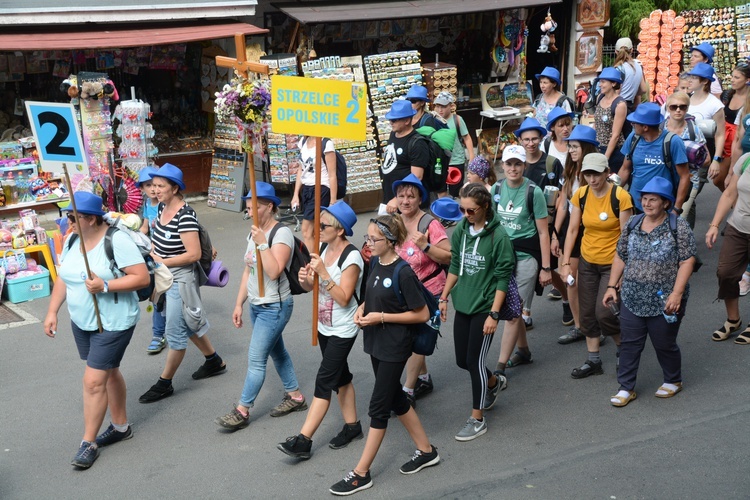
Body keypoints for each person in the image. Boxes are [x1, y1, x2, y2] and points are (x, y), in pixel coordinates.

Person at [329, 215, 439, 496]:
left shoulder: (403, 272)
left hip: (394, 346)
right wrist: (362, 308)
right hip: (376, 341)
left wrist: (380, 317)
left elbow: (422, 313)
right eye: (367, 237)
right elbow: (371, 294)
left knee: (379, 408)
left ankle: (361, 473)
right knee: (395, 397)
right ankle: (426, 451)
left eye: (373, 239)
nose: (368, 244)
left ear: (390, 241)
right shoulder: (376, 262)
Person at [44, 191, 150, 469]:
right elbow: (64, 278)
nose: (66, 223)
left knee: (93, 381)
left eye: (72, 217)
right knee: (109, 370)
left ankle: (87, 443)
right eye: (66, 217)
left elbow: (141, 277)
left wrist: (105, 285)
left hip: (113, 321)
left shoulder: (117, 240)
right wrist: (52, 311)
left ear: (91, 219)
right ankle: (121, 426)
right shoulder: (71, 240)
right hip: (83, 319)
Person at [215, 182, 307, 430]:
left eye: (254, 204)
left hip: (275, 307)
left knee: (256, 359)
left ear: (270, 206)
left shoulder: (281, 234)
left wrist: (263, 243)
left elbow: (275, 271)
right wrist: (238, 304)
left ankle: (242, 410)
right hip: (257, 305)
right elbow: (248, 270)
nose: (249, 209)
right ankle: (295, 396)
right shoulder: (254, 232)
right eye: (247, 205)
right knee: (278, 352)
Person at [277, 202, 363, 459]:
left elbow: (345, 297)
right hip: (324, 326)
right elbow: (311, 288)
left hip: (343, 329)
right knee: (341, 378)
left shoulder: (352, 257)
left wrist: (323, 273)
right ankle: (353, 426)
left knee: (324, 381)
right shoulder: (324, 249)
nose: (318, 229)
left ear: (339, 230)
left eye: (323, 225)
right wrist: (306, 279)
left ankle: (303, 440)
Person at [604, 177, 697, 407]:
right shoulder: (634, 223)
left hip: (665, 299)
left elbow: (687, 260)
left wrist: (677, 293)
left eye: (652, 199)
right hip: (632, 296)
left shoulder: (678, 226)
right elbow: (620, 255)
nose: (646, 203)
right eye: (644, 198)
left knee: (664, 342)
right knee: (629, 344)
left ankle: (673, 380)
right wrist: (611, 286)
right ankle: (626, 387)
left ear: (665, 203)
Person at [138, 164, 226, 403]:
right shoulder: (160, 209)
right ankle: (214, 360)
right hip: (165, 277)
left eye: (160, 186)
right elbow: (156, 240)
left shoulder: (185, 216)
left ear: (175, 188)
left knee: (174, 332)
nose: (155, 190)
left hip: (181, 280)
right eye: (153, 185)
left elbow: (194, 254)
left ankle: (164, 383)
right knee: (187, 321)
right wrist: (153, 258)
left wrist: (163, 260)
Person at [439, 183, 515, 441]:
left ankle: (477, 419)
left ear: (484, 208)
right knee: (462, 360)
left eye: (470, 210)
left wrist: (494, 315)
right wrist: (444, 296)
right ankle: (494, 382)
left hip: (485, 307)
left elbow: (503, 278)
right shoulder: (461, 228)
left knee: (475, 362)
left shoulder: (499, 237)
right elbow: (455, 265)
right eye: (462, 209)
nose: (465, 215)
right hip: (464, 303)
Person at [561, 153, 634, 378]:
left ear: (606, 173)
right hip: (587, 261)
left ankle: (624, 351)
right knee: (586, 314)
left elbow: (626, 236)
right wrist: (565, 262)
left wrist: (622, 272)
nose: (592, 179)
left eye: (596, 174)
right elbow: (573, 229)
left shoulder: (620, 197)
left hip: (612, 264)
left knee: (605, 313)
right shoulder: (580, 195)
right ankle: (594, 360)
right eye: (588, 174)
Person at [491, 145, 552, 374]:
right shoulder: (496, 188)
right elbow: (491, 225)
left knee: (513, 311)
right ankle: (523, 351)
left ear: (525, 166)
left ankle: (499, 369)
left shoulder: (533, 192)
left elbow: (543, 232)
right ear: (503, 165)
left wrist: (546, 268)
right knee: (513, 306)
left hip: (527, 256)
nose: (513, 168)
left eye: (518, 164)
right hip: (502, 257)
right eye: (509, 164)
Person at [391, 174, 451, 407]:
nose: (405, 201)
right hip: (404, 291)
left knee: (415, 339)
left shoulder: (429, 224)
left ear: (419, 199)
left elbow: (448, 255)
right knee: (412, 337)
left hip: (430, 290)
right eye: (401, 196)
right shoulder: (394, 221)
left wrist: (425, 246)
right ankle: (423, 378)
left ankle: (408, 389)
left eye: (411, 196)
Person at [554, 125, 599, 344]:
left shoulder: (598, 172)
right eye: (570, 146)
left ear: (587, 148)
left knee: (589, 282)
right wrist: (555, 233)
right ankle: (579, 326)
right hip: (571, 229)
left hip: (592, 229)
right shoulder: (570, 171)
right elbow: (563, 203)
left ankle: (594, 326)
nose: (571, 150)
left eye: (575, 146)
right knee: (570, 279)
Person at [706, 152, 750, 345]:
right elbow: (730, 193)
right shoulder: (746, 159)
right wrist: (714, 225)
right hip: (738, 227)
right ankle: (734, 320)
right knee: (726, 272)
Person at [619, 103, 690, 214]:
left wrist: (676, 208)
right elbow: (625, 169)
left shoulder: (673, 142)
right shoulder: (633, 138)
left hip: (662, 207)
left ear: (645, 127)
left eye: (634, 123)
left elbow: (684, 176)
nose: (632, 125)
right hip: (634, 204)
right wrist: (612, 195)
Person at [663, 91, 709, 228]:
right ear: (667, 108)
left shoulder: (693, 130)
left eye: (682, 107)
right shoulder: (660, 128)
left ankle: (685, 244)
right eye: (673, 107)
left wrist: (688, 158)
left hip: (688, 179)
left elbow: (707, 160)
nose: (678, 110)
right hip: (664, 178)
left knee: (681, 217)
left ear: (687, 109)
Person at [136, 166, 167, 354]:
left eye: (156, 185)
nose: (153, 189)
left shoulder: (167, 204)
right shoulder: (148, 205)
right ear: (142, 189)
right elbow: (145, 228)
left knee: (169, 296)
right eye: (149, 185)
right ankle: (158, 334)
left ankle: (178, 331)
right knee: (157, 296)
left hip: (168, 255)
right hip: (154, 256)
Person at [380, 99, 431, 213]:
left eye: (394, 120)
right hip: (394, 203)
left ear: (407, 120)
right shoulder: (394, 134)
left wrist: (397, 199)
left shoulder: (417, 143)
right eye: (390, 119)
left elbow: (416, 177)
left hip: (408, 205)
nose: (391, 122)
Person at [291, 135, 338, 251]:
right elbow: (301, 170)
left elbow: (332, 175)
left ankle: (311, 263)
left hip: (321, 188)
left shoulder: (326, 144)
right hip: (307, 188)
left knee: (306, 230)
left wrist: (333, 201)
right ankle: (319, 257)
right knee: (315, 230)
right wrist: (296, 194)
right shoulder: (303, 141)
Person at [685, 63, 726, 189]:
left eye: (695, 77)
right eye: (690, 76)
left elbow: (720, 134)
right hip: (682, 153)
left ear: (705, 81)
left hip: (702, 156)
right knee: (682, 193)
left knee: (691, 192)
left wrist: (716, 160)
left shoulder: (715, 105)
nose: (690, 80)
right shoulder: (685, 100)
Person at [433, 91, 474, 197]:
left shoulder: (457, 120)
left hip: (456, 161)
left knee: (456, 192)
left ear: (451, 106)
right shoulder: (433, 121)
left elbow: (467, 138)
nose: (440, 110)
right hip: (440, 162)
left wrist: (471, 157)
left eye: (443, 106)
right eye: (437, 106)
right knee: (441, 191)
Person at [717, 64, 750, 190]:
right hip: (725, 139)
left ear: (747, 80)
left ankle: (733, 202)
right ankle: (733, 202)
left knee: (725, 177)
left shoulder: (748, 100)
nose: (732, 80)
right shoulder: (728, 94)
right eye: (732, 76)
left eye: (736, 77)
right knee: (720, 179)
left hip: (737, 140)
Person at [593, 67, 628, 173]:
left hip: (613, 151)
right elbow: (597, 123)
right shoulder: (600, 97)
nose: (600, 85)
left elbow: (616, 136)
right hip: (598, 147)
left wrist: (605, 158)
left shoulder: (619, 104)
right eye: (600, 81)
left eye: (603, 82)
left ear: (613, 84)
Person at [514, 117, 563, 190]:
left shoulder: (552, 163)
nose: (531, 144)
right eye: (526, 139)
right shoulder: (516, 163)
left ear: (541, 137)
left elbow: (561, 192)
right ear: (520, 140)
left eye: (534, 139)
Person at [613, 38, 649, 114]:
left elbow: (617, 92)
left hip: (618, 106)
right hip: (630, 106)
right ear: (632, 50)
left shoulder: (618, 68)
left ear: (616, 51)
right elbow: (643, 89)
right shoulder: (638, 65)